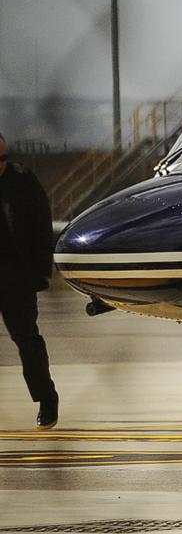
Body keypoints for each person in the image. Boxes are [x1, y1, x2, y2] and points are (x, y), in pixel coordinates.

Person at [0, 133, 59, 429]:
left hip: (15, 275)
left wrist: (40, 272)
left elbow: (41, 226)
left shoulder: (22, 182)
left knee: (26, 340)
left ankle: (46, 399)